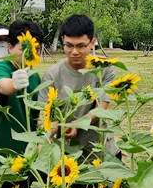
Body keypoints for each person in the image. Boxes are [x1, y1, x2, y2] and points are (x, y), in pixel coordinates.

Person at [38, 14, 120, 160]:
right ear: (62, 40)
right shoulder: (52, 75)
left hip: (100, 151)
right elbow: (50, 117)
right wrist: (46, 137)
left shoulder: (104, 68)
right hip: (67, 155)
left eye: (81, 46)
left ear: (92, 42)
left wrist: (79, 123)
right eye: (69, 45)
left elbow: (101, 108)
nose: (74, 52)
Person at [0, 20, 44, 156]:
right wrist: (14, 84)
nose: (32, 54)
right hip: (2, 157)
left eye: (36, 49)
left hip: (30, 157)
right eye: (25, 49)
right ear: (10, 48)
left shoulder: (34, 77)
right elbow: (2, 86)